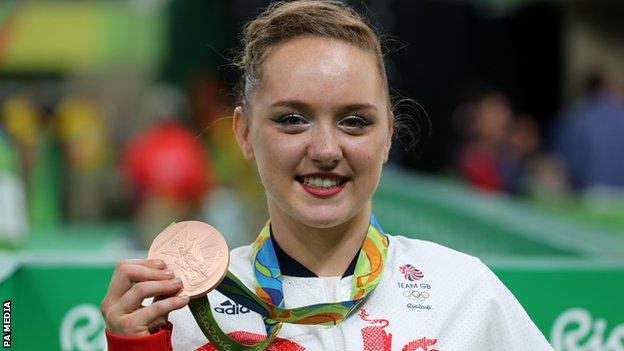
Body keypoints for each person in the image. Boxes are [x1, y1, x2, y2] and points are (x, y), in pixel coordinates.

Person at [101, 1, 553, 350]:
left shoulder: (463, 293)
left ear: (389, 135)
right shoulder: (183, 313)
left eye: (355, 121)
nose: (324, 150)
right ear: (243, 133)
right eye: (292, 119)